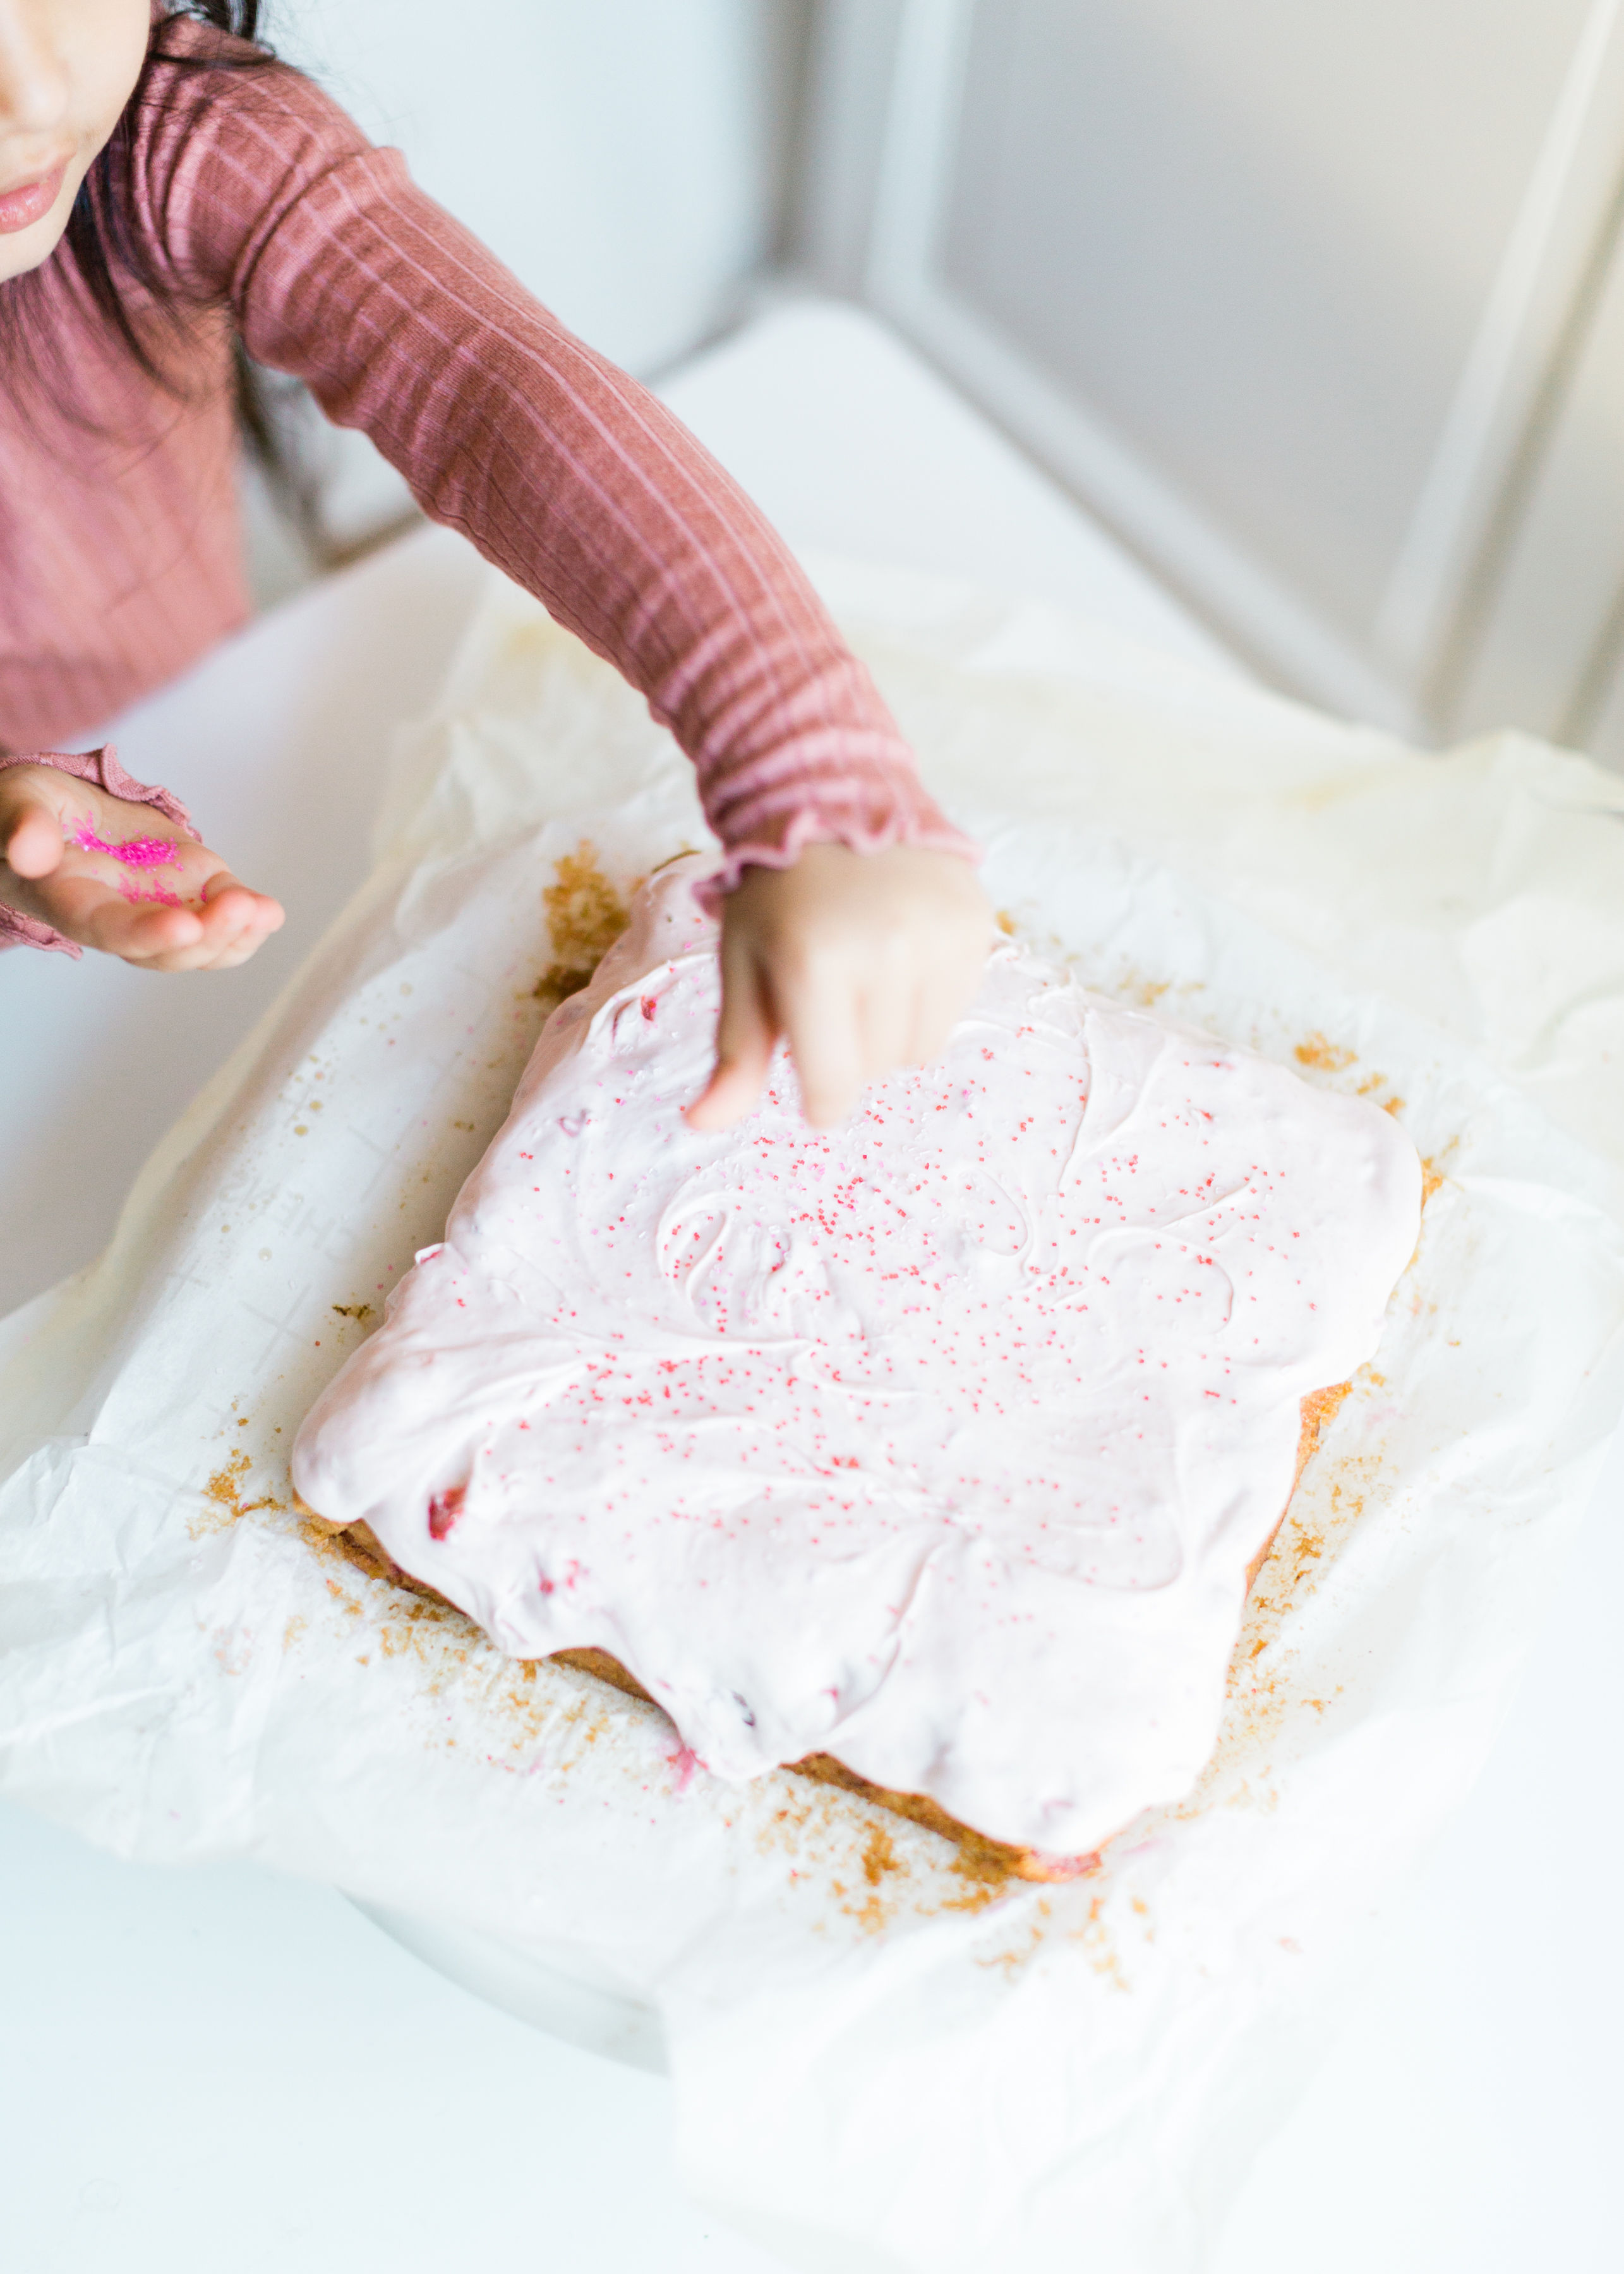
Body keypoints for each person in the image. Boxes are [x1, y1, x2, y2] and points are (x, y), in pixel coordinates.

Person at [0, 0, 989, 1129]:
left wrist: (816, 776)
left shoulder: (170, 141)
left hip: (205, 709)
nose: (28, 92)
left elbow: (490, 392)